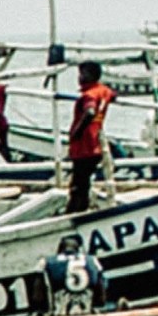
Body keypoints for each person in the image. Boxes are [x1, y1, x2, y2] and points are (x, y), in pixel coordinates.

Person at [67, 60, 115, 213]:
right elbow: (112, 95)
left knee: (78, 185)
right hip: (95, 144)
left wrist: (77, 131)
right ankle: (81, 208)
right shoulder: (103, 91)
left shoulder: (89, 95)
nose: (79, 78)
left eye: (82, 74)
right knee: (84, 182)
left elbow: (90, 111)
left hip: (84, 145)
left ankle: (75, 213)